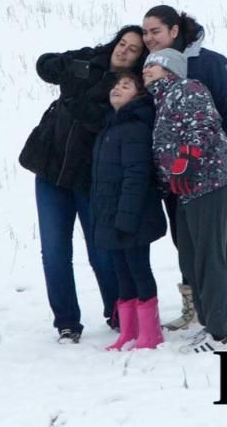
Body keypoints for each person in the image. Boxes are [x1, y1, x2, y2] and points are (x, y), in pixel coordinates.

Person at [18, 26, 147, 343]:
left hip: (90, 181)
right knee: (54, 252)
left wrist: (75, 96)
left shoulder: (131, 88)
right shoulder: (89, 60)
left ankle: (118, 312)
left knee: (102, 252)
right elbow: (44, 65)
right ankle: (66, 322)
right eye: (122, 43)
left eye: (132, 49)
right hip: (50, 172)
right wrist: (60, 66)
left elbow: (101, 120)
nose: (123, 50)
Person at [141, 6, 227, 334]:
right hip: (180, 179)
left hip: (214, 171)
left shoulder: (206, 64)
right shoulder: (151, 70)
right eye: (145, 32)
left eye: (156, 31)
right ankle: (199, 308)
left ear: (174, 31)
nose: (149, 38)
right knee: (188, 241)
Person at [90, 70, 167, 351]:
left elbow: (136, 175)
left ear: (139, 95)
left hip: (133, 217)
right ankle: (129, 331)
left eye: (126, 86)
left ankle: (150, 332)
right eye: (116, 85)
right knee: (122, 274)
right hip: (113, 216)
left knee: (139, 271)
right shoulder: (110, 126)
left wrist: (126, 217)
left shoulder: (134, 127)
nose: (118, 89)